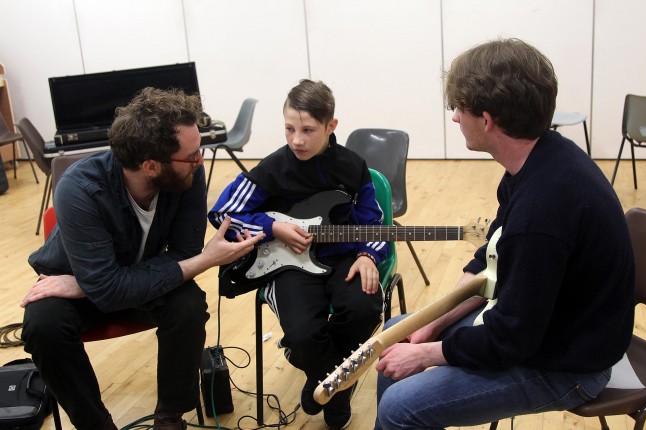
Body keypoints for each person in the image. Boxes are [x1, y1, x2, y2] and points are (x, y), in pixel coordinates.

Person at [374, 38, 636, 429]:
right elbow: (490, 262)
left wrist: (429, 352)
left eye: (457, 109)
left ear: (487, 119)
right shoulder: (537, 161)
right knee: (399, 332)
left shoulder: (544, 209)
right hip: (542, 326)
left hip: (571, 363)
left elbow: (511, 340)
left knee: (400, 406)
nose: (454, 119)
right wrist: (430, 323)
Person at [21, 87, 264, 430]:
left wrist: (90, 285)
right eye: (192, 155)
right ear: (151, 166)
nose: (200, 161)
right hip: (71, 283)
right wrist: (206, 260)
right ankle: (96, 424)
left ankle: (170, 416)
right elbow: (183, 263)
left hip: (97, 281)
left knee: (188, 306)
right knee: (42, 326)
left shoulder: (186, 175)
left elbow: (183, 252)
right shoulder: (80, 188)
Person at [208, 79, 387, 429]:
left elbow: (374, 221)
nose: (297, 140)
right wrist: (272, 227)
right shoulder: (273, 167)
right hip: (288, 264)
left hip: (342, 258)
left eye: (308, 130)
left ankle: (318, 373)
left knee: (365, 307)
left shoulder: (352, 166)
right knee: (304, 333)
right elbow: (221, 213)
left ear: (331, 126)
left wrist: (368, 256)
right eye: (289, 129)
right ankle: (333, 384)